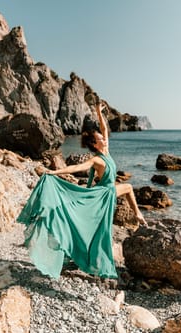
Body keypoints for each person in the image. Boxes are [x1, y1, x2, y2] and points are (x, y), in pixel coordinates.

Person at [17, 102, 147, 280]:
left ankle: (137, 215)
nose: (104, 138)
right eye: (101, 138)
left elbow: (105, 129)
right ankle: (89, 257)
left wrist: (98, 113)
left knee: (101, 224)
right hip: (102, 195)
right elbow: (75, 167)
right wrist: (54, 171)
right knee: (98, 227)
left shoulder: (106, 151)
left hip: (107, 192)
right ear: (96, 144)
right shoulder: (97, 160)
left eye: (103, 137)